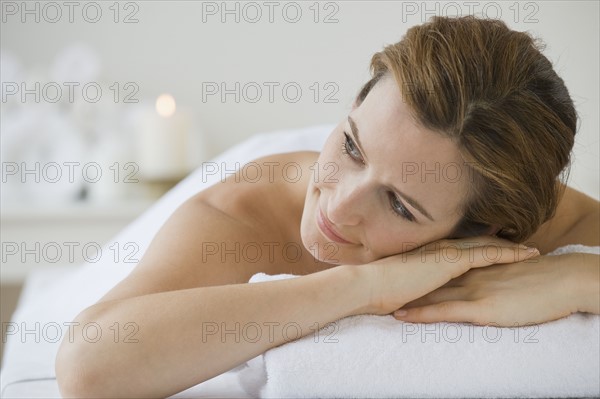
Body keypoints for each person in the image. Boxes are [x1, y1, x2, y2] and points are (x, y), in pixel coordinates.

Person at [56, 15, 599, 398]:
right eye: (352, 147)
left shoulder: (526, 214)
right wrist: (360, 289)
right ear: (356, 103)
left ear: (483, 230)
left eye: (400, 206)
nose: (338, 209)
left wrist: (579, 277)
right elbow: (89, 366)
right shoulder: (242, 216)